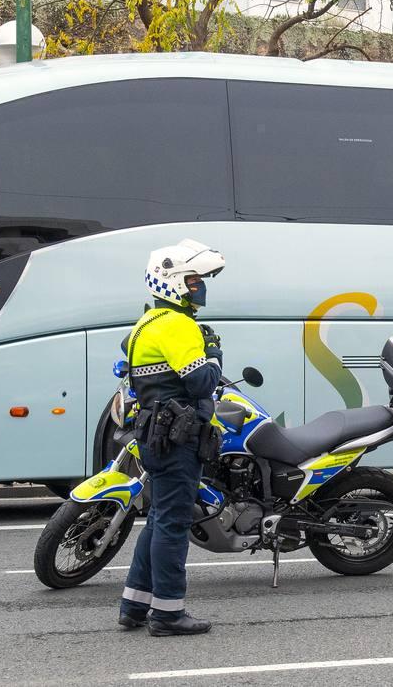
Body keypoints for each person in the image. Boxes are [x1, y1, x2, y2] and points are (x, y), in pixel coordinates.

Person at [118, 238, 226, 637]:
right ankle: (167, 614)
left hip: (153, 432)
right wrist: (213, 352)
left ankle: (134, 605)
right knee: (173, 523)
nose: (202, 286)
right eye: (195, 279)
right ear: (176, 282)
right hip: (179, 436)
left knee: (159, 520)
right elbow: (201, 382)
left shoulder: (147, 322)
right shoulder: (179, 324)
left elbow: (127, 349)